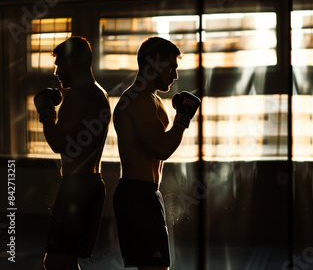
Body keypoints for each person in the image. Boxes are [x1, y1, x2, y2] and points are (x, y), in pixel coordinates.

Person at [112, 37, 200, 270]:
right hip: (136, 195)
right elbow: (161, 148)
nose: (175, 75)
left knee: (157, 267)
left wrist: (181, 118)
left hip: (148, 193)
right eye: (171, 67)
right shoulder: (136, 101)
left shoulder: (155, 101)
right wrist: (183, 118)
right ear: (151, 64)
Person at [34, 36, 111, 270]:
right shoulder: (100, 93)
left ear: (74, 63)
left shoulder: (79, 94)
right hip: (89, 184)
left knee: (56, 262)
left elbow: (58, 143)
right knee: (67, 261)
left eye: (60, 64)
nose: (57, 72)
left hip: (78, 187)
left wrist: (47, 113)